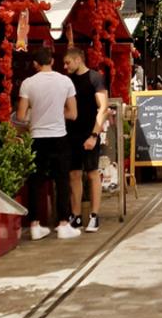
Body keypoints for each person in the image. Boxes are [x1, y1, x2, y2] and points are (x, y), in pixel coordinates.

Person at [17, 46, 80, 241]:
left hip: (37, 137)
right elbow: (73, 114)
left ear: (35, 64)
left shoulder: (28, 84)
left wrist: (35, 115)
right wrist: (56, 113)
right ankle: (63, 224)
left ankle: (35, 225)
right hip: (59, 136)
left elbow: (20, 116)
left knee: (35, 181)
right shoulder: (65, 81)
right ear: (52, 61)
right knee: (62, 180)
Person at [63, 47, 109, 234]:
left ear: (78, 60)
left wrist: (94, 135)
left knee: (92, 173)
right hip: (70, 133)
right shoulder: (68, 81)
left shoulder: (95, 78)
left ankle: (94, 215)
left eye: (68, 63)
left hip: (89, 132)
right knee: (74, 174)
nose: (65, 66)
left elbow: (103, 107)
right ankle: (76, 215)